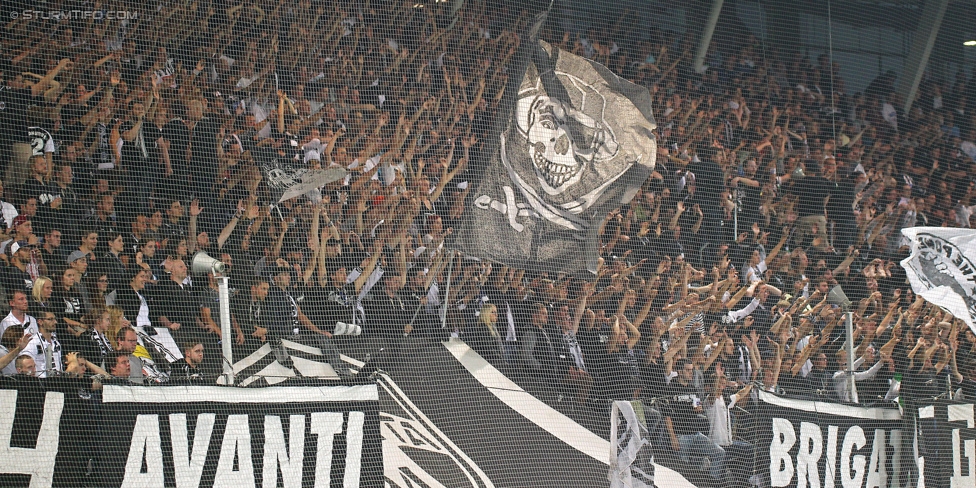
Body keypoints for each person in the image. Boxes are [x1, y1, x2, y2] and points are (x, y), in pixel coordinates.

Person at [664, 358, 726, 481]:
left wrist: (699, 408)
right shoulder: (670, 388)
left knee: (720, 453)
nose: (690, 373)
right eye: (687, 370)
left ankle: (711, 483)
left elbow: (699, 406)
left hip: (696, 435)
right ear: (679, 372)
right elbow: (667, 415)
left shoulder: (693, 388)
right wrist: (673, 438)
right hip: (680, 436)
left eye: (691, 370)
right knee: (683, 472)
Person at [21, 311, 63, 377]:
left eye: (55, 319)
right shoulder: (33, 343)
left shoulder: (56, 343)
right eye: (50, 319)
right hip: (41, 382)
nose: (55, 322)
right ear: (40, 322)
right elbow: (25, 365)